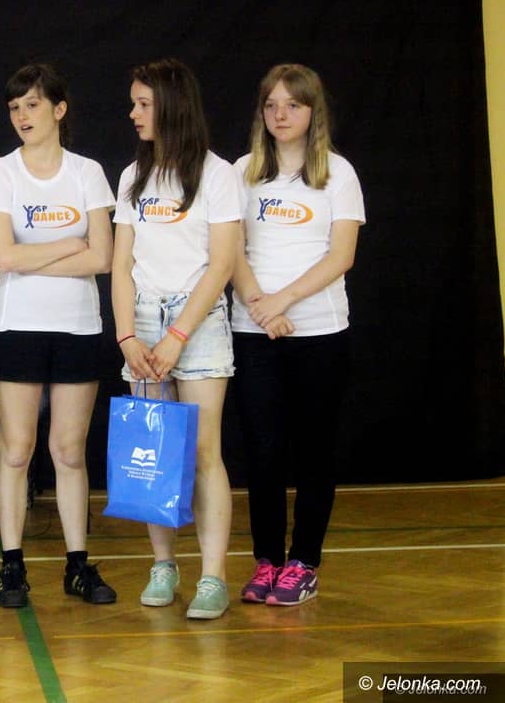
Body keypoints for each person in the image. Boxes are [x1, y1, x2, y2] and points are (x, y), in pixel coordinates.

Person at [0, 64, 116, 608]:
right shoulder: (2, 172)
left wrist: (35, 256)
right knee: (16, 450)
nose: (22, 116)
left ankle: (77, 565)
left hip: (78, 328)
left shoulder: (88, 172)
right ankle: (12, 567)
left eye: (32, 105)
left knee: (68, 450)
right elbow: (4, 257)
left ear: (59, 110)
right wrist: (68, 245)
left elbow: (102, 258)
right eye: (14, 108)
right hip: (18, 327)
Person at [231, 64, 365, 606]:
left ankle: (304, 562)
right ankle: (267, 561)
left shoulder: (338, 173)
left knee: (313, 451)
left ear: (313, 111)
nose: (280, 114)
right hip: (253, 331)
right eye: (271, 105)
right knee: (263, 451)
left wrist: (282, 302)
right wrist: (261, 308)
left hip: (319, 332)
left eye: (292, 105)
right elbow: (230, 251)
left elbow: (341, 255)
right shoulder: (242, 172)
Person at [111, 59, 240, 620]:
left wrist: (179, 334)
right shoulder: (132, 177)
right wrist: (127, 336)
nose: (134, 113)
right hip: (142, 320)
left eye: (143, 103)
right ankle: (163, 565)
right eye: (134, 103)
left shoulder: (217, 174)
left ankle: (213, 577)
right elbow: (120, 264)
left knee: (205, 451)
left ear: (171, 105)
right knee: (152, 450)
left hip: (199, 320)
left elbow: (223, 263)